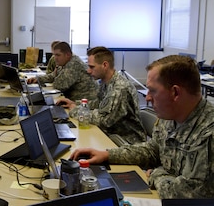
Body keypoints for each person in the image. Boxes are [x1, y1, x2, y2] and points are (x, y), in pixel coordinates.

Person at [70, 55, 214, 199]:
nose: (147, 97)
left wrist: (156, 174)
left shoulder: (208, 133)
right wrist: (107, 155)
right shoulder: (170, 114)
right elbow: (153, 150)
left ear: (175, 92)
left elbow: (191, 195)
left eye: (153, 90)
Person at [56, 46, 146, 144]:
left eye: (92, 67)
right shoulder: (106, 82)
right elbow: (99, 103)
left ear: (105, 65)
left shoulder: (120, 88)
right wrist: (76, 104)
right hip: (112, 134)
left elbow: (104, 121)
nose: (88, 71)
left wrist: (75, 110)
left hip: (127, 142)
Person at [27, 41, 97, 101]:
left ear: (68, 55)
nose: (55, 58)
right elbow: (53, 75)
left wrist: (56, 79)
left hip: (84, 103)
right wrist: (38, 79)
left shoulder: (74, 64)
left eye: (58, 55)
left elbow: (59, 85)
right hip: (73, 100)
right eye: (54, 55)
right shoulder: (64, 62)